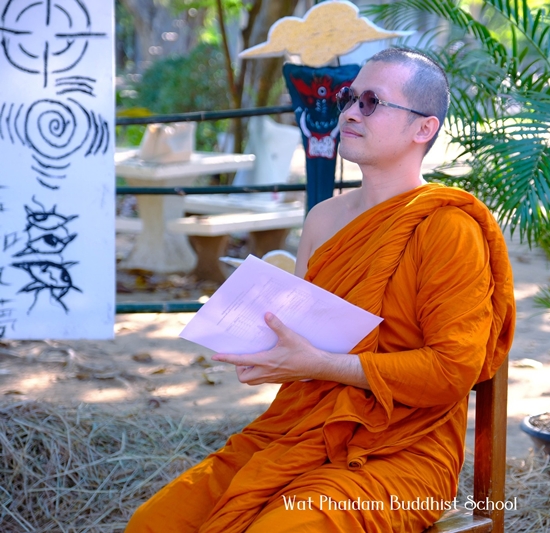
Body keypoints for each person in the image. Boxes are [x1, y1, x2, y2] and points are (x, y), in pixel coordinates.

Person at [125, 48, 515, 533]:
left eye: (371, 102)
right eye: (349, 97)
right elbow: (306, 339)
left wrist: (319, 364)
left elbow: (451, 371)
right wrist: (264, 349)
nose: (349, 112)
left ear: (424, 128)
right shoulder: (322, 219)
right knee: (152, 523)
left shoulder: (448, 228)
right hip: (298, 430)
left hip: (401, 451)